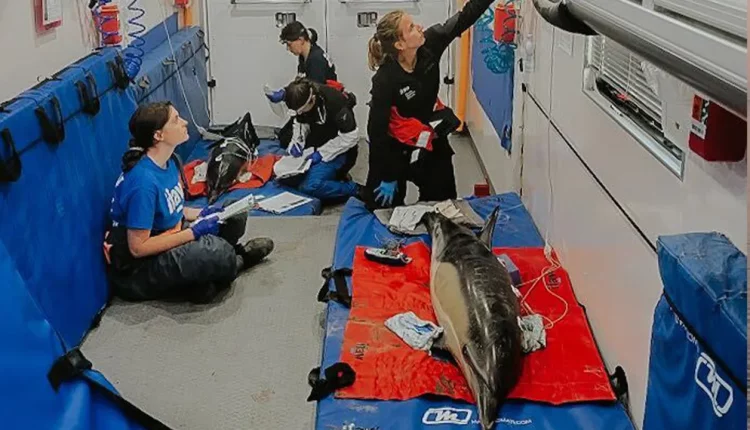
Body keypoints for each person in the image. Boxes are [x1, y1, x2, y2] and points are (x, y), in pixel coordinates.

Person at [103, 101, 275, 304]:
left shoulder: (169, 162)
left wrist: (204, 213)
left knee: (234, 212)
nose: (184, 122)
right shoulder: (143, 184)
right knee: (213, 252)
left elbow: (171, 209)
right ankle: (238, 259)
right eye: (176, 120)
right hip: (140, 268)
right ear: (159, 135)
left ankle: (203, 279)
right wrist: (193, 233)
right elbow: (138, 248)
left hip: (169, 232)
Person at [362, 1, 490, 209]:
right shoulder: (385, 80)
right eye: (411, 27)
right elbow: (376, 132)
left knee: (443, 203)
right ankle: (392, 183)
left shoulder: (431, 43)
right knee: (380, 207)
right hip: (395, 144)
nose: (420, 27)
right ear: (400, 45)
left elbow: (465, 17)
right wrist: (387, 175)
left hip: (427, 132)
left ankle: (426, 182)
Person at [278, 77, 360, 202]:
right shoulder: (305, 101)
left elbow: (351, 137)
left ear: (312, 100)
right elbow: (300, 123)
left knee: (310, 187)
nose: (300, 114)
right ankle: (328, 179)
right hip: (316, 144)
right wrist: (297, 142)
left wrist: (322, 153)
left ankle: (355, 189)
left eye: (301, 111)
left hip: (340, 150)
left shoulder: (336, 104)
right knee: (285, 177)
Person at [265, 21, 342, 148]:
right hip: (312, 104)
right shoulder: (304, 56)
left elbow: (312, 92)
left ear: (301, 40)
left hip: (322, 111)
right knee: (284, 135)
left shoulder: (316, 60)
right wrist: (286, 91)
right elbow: (301, 81)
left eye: (289, 44)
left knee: (287, 140)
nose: (288, 49)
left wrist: (286, 95)